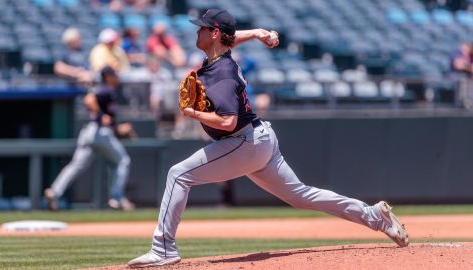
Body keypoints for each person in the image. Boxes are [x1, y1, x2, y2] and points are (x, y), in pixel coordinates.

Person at [128, 9, 409, 268]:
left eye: (201, 28)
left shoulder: (221, 72)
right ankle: (373, 216)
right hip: (259, 139)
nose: (196, 32)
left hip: (241, 141)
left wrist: (192, 113)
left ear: (213, 33)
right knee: (301, 195)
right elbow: (229, 40)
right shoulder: (219, 56)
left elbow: (228, 121)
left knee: (178, 175)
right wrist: (258, 32)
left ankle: (163, 249)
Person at [44, 66, 135, 211]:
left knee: (75, 166)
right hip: (100, 133)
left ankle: (54, 192)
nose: (117, 77)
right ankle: (116, 198)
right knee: (122, 161)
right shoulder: (106, 89)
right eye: (114, 75)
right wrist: (100, 116)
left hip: (90, 132)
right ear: (108, 77)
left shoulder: (107, 90)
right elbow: (89, 99)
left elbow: (105, 116)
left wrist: (118, 128)